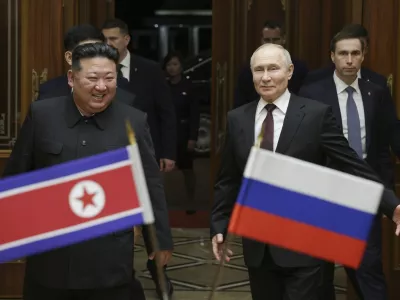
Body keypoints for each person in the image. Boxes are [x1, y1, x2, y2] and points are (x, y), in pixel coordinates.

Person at [210, 43, 400, 300]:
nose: (265, 77)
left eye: (273, 69)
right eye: (259, 70)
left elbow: (350, 164)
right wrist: (219, 225)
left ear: (289, 72)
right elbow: (229, 179)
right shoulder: (237, 119)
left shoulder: (315, 115)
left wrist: (391, 204)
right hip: (259, 246)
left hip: (306, 242)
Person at [3, 43, 173, 300]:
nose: (101, 86)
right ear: (72, 78)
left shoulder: (133, 121)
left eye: (110, 78)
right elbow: (17, 176)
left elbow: (149, 184)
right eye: (93, 78)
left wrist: (158, 240)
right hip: (52, 255)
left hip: (108, 259)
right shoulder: (43, 115)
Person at [298, 30, 399, 300]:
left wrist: (384, 188)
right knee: (320, 271)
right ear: (333, 57)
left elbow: (386, 141)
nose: (349, 60)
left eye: (355, 53)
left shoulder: (376, 92)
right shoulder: (312, 93)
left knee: (368, 266)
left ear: (363, 56)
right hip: (325, 192)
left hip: (365, 191)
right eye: (343, 53)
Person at [102, 18, 176, 298]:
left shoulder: (148, 69)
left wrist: (168, 152)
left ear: (126, 40)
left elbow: (165, 111)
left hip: (146, 153)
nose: (108, 44)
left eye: (113, 39)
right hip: (114, 155)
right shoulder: (100, 72)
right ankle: (126, 277)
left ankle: (158, 271)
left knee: (151, 214)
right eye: (104, 39)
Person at [38, 24, 133, 105]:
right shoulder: (49, 93)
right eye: (86, 53)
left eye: (99, 51)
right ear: (69, 58)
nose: (94, 58)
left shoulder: (123, 89)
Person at [233, 20, 308, 109]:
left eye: (275, 39)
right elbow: (240, 103)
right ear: (262, 40)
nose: (271, 43)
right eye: (267, 40)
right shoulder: (248, 69)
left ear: (284, 39)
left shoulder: (299, 68)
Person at [163, 52, 200, 215]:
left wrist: (192, 137)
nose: (172, 68)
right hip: (167, 132)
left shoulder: (189, 86)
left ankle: (190, 200)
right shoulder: (163, 86)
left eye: (175, 64)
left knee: (187, 168)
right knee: (163, 167)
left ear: (181, 67)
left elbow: (194, 114)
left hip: (184, 131)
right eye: (169, 64)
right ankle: (163, 202)